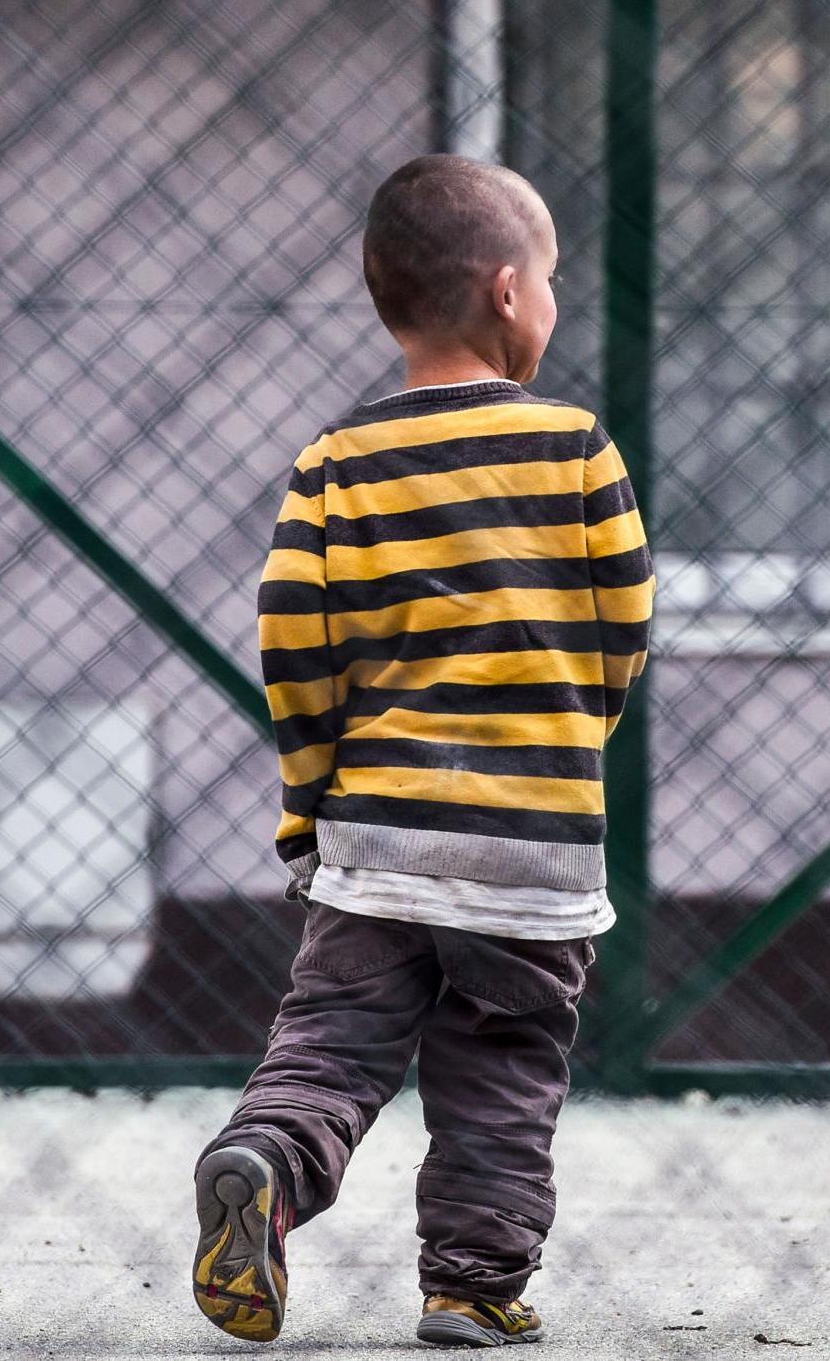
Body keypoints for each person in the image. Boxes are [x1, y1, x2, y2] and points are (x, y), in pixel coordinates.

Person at [188, 154, 654, 1347]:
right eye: (551, 279)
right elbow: (622, 630)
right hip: (533, 852)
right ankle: (472, 1284)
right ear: (508, 291)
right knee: (501, 1068)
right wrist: (561, 745)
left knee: (333, 1042)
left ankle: (268, 1161)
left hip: (379, 838)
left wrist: (312, 806)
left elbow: (296, 654)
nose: (553, 301)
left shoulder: (336, 467)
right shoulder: (576, 453)